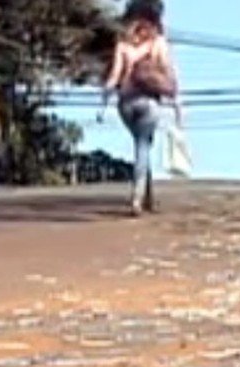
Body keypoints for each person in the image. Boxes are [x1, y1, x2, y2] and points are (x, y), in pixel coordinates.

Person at [99, 7, 182, 216]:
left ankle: (148, 198)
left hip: (126, 104)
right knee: (143, 147)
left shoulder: (123, 47)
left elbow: (114, 77)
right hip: (150, 103)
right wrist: (177, 105)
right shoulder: (158, 44)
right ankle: (137, 198)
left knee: (142, 145)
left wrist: (103, 103)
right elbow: (169, 76)